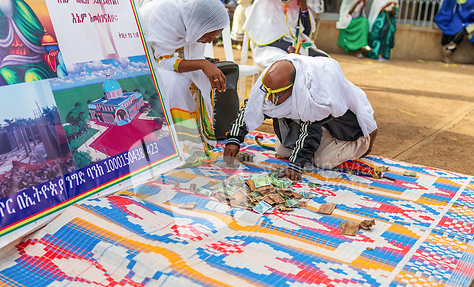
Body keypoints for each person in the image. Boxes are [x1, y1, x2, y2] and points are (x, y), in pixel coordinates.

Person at [223, 54, 378, 181]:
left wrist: (296, 166)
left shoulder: (314, 94)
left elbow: (311, 130)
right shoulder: (272, 84)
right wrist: (234, 139)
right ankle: (315, 146)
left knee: (323, 161)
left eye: (276, 95)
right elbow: (251, 108)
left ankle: (361, 144)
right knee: (282, 149)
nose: (269, 98)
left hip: (344, 129)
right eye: (267, 92)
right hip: (320, 125)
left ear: (294, 89)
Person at [139, 0, 229, 164]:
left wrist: (203, 67)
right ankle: (180, 147)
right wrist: (203, 64)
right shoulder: (165, 14)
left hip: (164, 61)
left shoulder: (194, 20)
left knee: (200, 79)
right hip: (143, 63)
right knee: (177, 83)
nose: (209, 42)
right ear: (197, 26)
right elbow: (164, 61)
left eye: (214, 38)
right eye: (208, 36)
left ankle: (197, 142)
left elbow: (191, 58)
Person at [242, 0, 328, 68]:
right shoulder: (263, 4)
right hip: (270, 49)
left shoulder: (294, 4)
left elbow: (306, 32)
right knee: (292, 65)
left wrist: (303, 8)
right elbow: (264, 37)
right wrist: (288, 47)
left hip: (297, 48)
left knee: (326, 62)